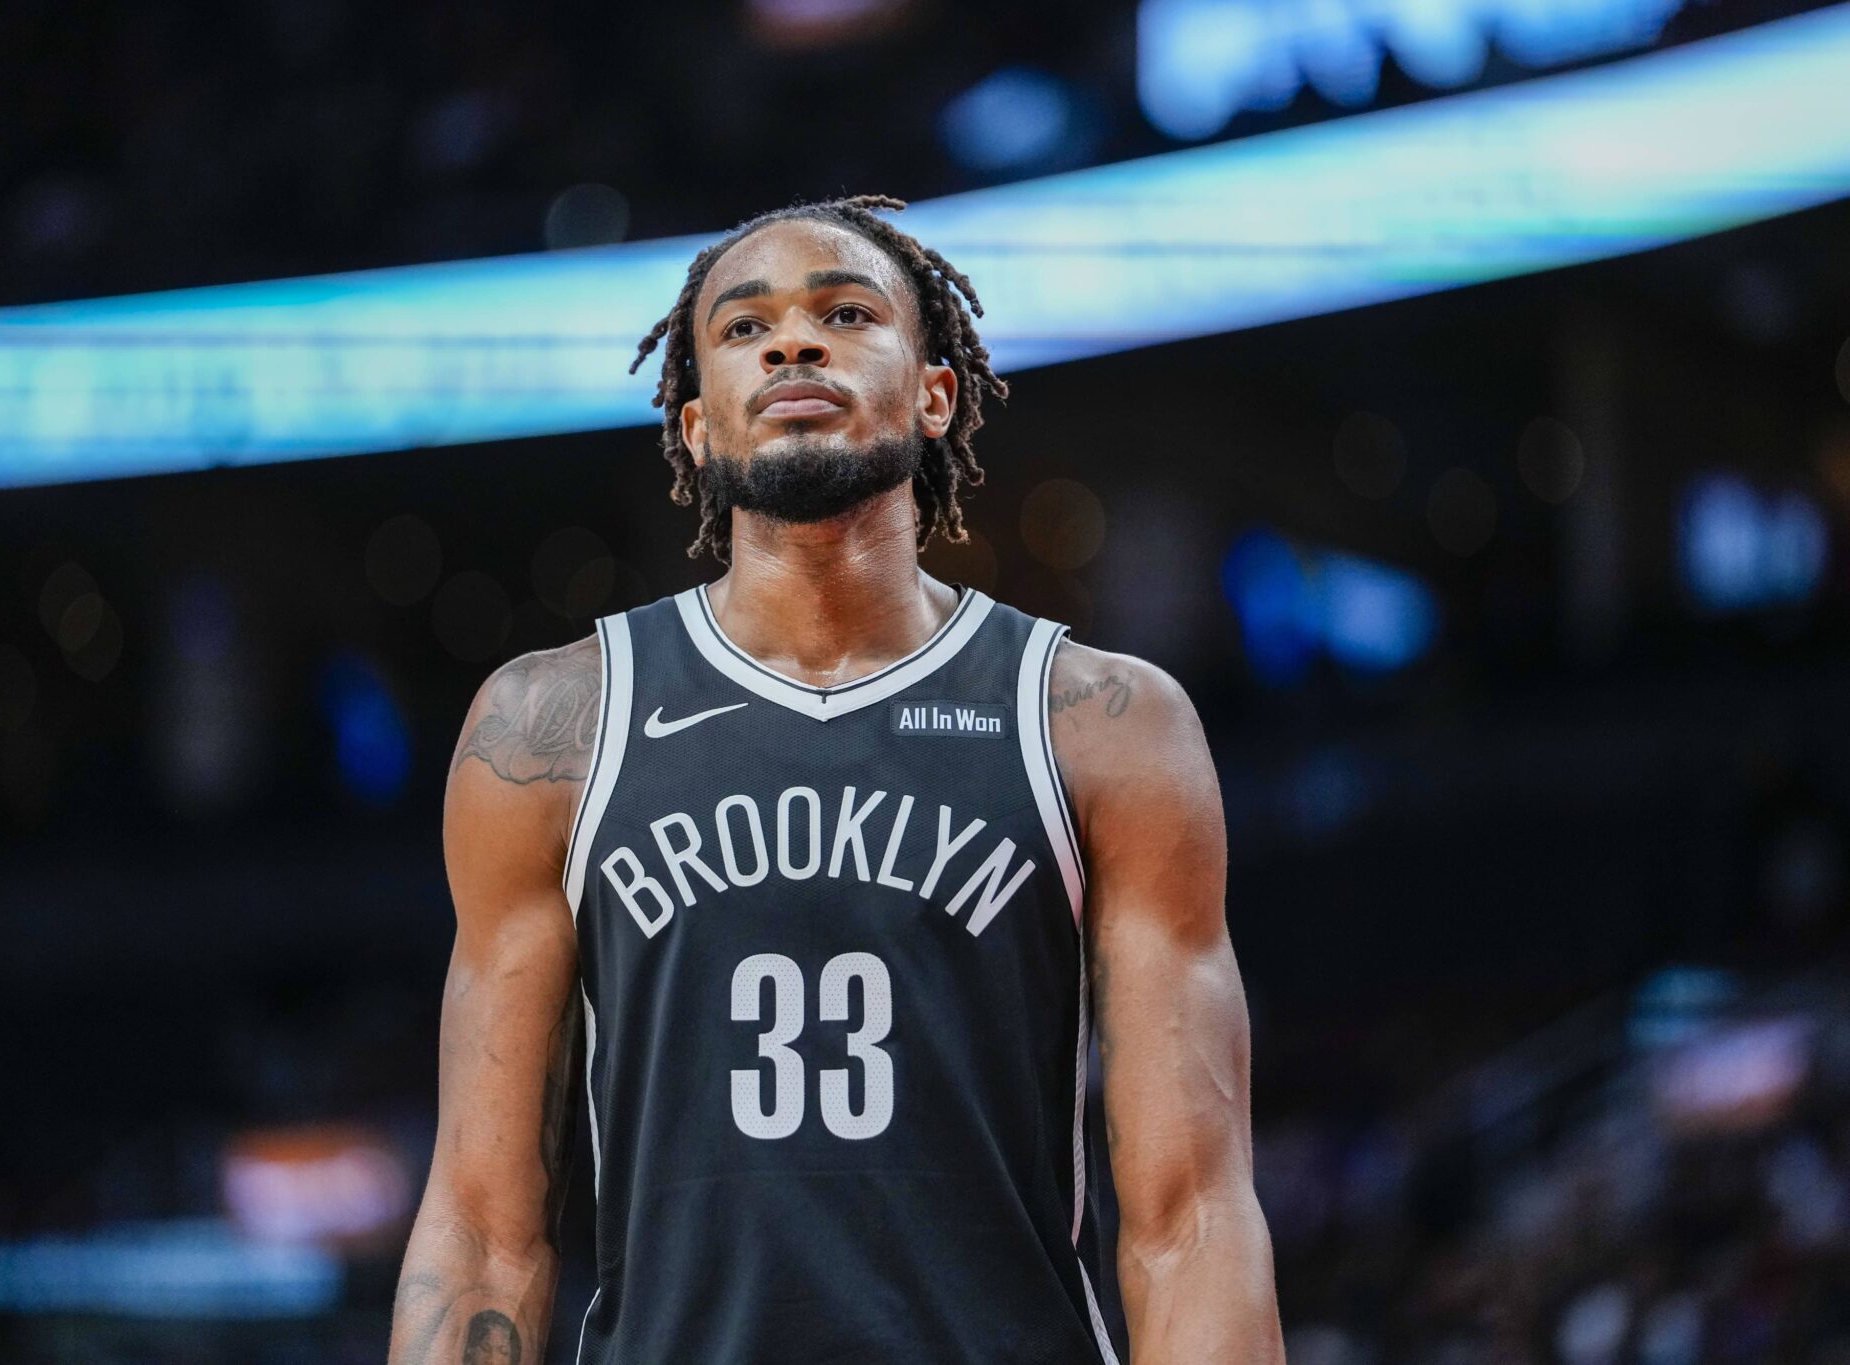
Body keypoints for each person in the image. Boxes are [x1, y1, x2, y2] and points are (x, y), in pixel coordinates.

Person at [389, 194, 1283, 1364]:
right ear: (699, 423)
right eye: (745, 327)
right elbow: (480, 1223)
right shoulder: (553, 722)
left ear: (932, 395)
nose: (793, 342)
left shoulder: (1098, 723)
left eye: (845, 313)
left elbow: (1189, 1218)